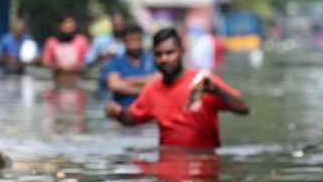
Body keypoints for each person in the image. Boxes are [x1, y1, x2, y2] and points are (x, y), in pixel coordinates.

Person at [104, 28, 250, 148]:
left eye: (169, 53)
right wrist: (118, 112)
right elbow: (133, 117)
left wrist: (217, 91)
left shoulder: (203, 82)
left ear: (182, 52)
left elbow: (244, 108)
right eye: (159, 54)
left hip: (203, 170)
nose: (164, 59)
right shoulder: (152, 90)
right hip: (167, 169)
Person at [100, 24, 159, 107]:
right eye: (131, 40)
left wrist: (125, 81)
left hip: (149, 107)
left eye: (138, 39)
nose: (135, 44)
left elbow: (159, 80)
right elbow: (114, 85)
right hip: (124, 108)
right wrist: (147, 85)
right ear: (124, 42)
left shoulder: (152, 60)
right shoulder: (115, 63)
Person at [41, 15, 90, 86]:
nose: (68, 26)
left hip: (77, 80)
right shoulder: (52, 42)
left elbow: (88, 60)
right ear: (60, 26)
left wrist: (74, 67)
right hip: (57, 80)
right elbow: (46, 62)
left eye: (71, 23)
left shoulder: (82, 41)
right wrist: (59, 67)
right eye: (66, 23)